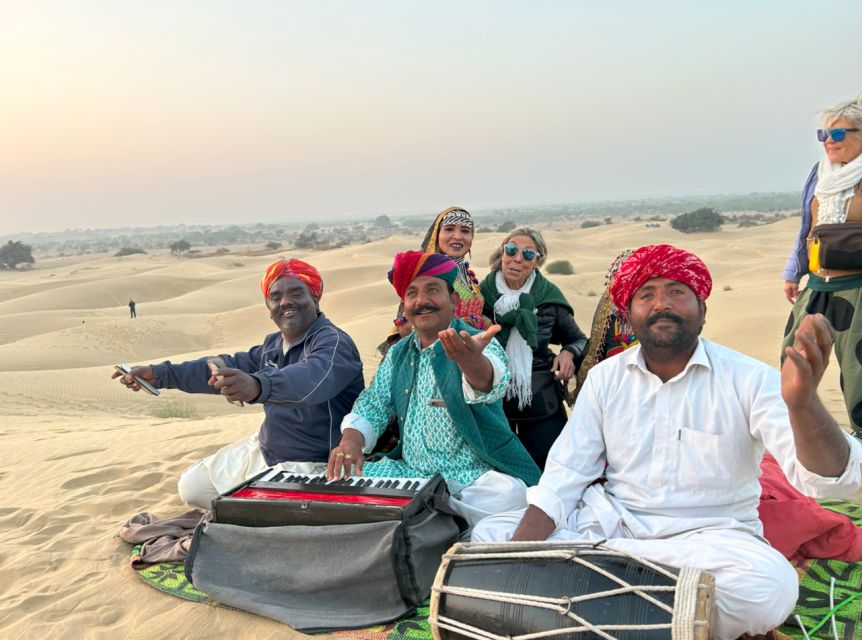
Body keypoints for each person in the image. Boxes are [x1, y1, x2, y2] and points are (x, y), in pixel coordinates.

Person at [473, 244, 862, 639]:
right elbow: (567, 472)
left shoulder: (748, 378)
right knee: (490, 535)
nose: (662, 303)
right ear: (628, 315)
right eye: (647, 294)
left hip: (708, 539)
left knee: (768, 588)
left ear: (703, 311)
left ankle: (590, 604)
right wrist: (513, 554)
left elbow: (829, 478)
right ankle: (670, 611)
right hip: (613, 529)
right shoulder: (607, 378)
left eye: (677, 291)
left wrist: (805, 406)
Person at [113, 258, 365, 509]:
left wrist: (257, 385)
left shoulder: (332, 343)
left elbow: (311, 379)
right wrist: (159, 375)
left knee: (249, 512)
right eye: (275, 297)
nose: (285, 302)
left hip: (314, 463)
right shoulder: (272, 345)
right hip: (267, 450)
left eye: (296, 293)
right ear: (269, 307)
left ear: (315, 299)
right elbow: (223, 366)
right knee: (192, 487)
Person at [329, 251, 540, 529]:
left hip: (471, 479)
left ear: (452, 300)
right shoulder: (399, 353)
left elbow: (491, 384)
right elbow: (374, 403)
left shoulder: (475, 342)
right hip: (411, 474)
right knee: (337, 483)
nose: (422, 301)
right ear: (404, 305)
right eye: (412, 293)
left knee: (510, 497)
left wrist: (471, 362)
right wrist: (351, 442)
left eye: (432, 290)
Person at [782, 93, 862, 438]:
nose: (829, 141)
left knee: (858, 371)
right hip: (816, 284)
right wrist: (793, 272)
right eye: (824, 134)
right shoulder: (820, 174)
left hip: (857, 288)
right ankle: (790, 430)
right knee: (791, 357)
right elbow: (806, 227)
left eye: (839, 134)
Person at [479, 227, 587, 468]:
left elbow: (579, 339)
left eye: (528, 254)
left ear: (537, 262)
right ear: (502, 253)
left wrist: (569, 352)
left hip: (541, 401)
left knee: (550, 469)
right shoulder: (479, 298)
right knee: (495, 475)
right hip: (492, 403)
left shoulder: (548, 296)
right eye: (511, 249)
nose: (517, 258)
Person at [379, 207, 486, 357]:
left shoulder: (467, 274)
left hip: (472, 353)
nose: (457, 236)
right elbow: (411, 325)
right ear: (437, 234)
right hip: (439, 355)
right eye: (449, 229)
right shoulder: (427, 275)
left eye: (465, 231)